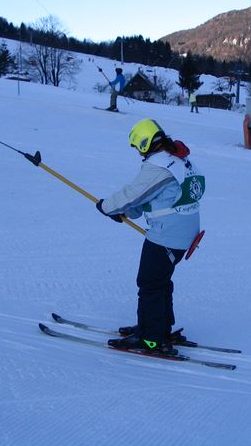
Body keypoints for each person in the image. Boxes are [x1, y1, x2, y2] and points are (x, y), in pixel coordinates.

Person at [96, 118, 205, 356]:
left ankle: (151, 338)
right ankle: (157, 327)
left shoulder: (158, 165)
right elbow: (152, 197)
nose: (138, 153)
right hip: (183, 232)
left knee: (149, 283)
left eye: (138, 147)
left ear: (144, 143)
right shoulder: (178, 158)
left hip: (167, 236)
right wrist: (125, 212)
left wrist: (107, 206)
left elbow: (132, 194)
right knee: (159, 281)